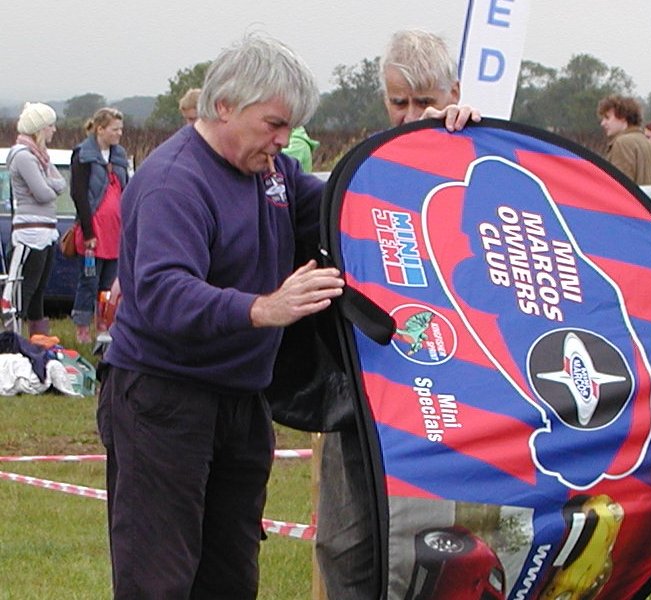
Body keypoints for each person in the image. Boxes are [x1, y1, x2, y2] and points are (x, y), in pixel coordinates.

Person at [97, 34, 346, 599]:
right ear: (225, 105)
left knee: (231, 577)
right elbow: (161, 292)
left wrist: (425, 147)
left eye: (289, 127)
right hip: (165, 401)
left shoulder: (272, 171)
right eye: (274, 124)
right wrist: (262, 308)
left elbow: (340, 208)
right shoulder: (173, 182)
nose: (283, 140)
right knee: (158, 580)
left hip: (241, 400)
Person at [315, 29, 479, 600]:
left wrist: (473, 138)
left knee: (438, 552)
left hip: (454, 398)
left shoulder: (481, 156)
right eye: (398, 102)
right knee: (346, 546)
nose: (410, 116)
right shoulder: (362, 170)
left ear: (454, 93)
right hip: (369, 390)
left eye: (425, 102)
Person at [1, 102, 66, 336]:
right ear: (39, 128)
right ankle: (12, 337)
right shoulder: (24, 156)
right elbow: (44, 193)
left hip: (46, 229)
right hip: (31, 231)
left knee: (39, 290)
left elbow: (61, 184)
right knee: (25, 290)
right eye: (50, 125)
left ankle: (38, 339)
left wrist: (47, 184)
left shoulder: (41, 157)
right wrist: (48, 186)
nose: (54, 130)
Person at [69, 107, 129, 344]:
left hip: (116, 230)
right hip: (94, 229)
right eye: (115, 129)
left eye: (121, 129)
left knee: (109, 282)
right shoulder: (83, 155)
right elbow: (79, 194)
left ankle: (104, 324)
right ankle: (82, 327)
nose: (119, 134)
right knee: (89, 280)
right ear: (100, 129)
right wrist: (88, 232)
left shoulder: (119, 156)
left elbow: (127, 188)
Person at [597, 94, 651, 185]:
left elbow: (620, 186)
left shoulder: (622, 143)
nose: (603, 123)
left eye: (607, 118)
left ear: (623, 117)